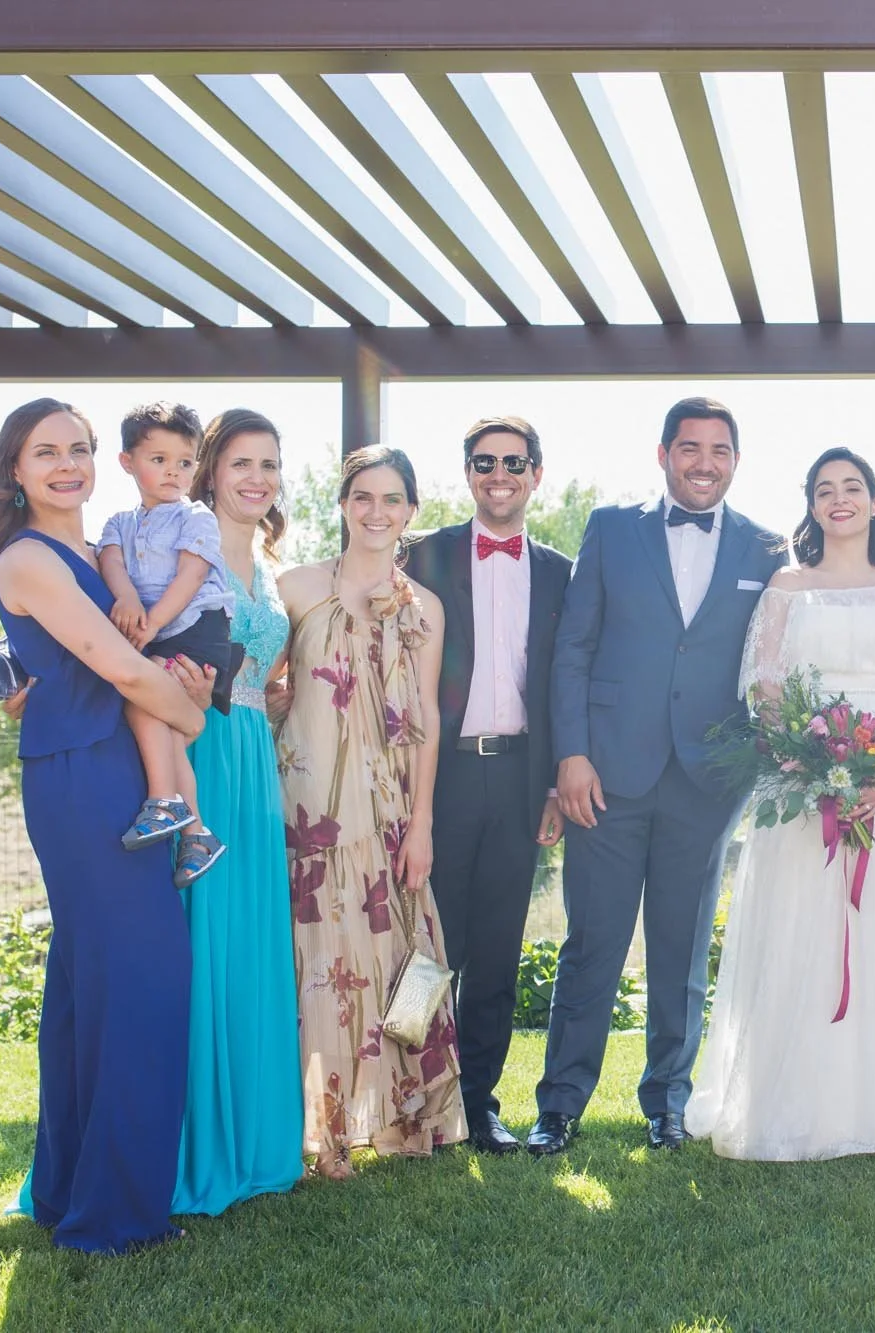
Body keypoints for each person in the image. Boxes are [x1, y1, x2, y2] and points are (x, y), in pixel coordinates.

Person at [531, 397, 785, 1155]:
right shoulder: (612, 529)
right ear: (663, 452)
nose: (704, 462)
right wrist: (569, 756)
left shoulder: (765, 548)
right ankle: (561, 1105)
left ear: (736, 459)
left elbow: (769, 661)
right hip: (604, 775)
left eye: (719, 450)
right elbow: (572, 647)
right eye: (690, 448)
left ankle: (667, 1104)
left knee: (680, 954)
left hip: (706, 783)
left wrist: (748, 765)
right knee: (591, 946)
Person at [0, 398, 207, 1253]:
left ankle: (71, 1190)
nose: (67, 463)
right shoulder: (30, 556)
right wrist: (188, 717)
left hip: (111, 761)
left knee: (90, 988)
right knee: (144, 980)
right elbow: (115, 664)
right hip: (85, 775)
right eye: (46, 451)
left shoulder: (93, 551)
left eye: (79, 447)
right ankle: (113, 1216)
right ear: (16, 468)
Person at [686, 448, 875, 1160]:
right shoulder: (786, 586)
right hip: (800, 780)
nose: (839, 499)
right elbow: (766, 685)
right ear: (811, 503)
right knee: (798, 925)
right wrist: (806, 765)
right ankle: (789, 1107)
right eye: (825, 489)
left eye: (853, 486)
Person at [277, 446, 465, 1178]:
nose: (377, 512)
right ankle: (321, 1133)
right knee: (323, 966)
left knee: (400, 957)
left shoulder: (427, 610)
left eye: (392, 499)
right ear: (343, 504)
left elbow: (427, 718)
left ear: (411, 510)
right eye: (362, 497)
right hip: (313, 805)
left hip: (390, 811)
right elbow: (263, 687)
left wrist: (421, 823)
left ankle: (399, 1117)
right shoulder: (294, 588)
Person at [402, 416, 572, 1156]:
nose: (498, 474)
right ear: (467, 472)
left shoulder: (563, 571)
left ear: (537, 474)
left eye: (513, 462)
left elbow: (567, 683)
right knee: (431, 942)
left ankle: (476, 1106)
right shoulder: (422, 557)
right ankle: (412, 1099)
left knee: (498, 950)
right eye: (483, 462)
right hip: (440, 772)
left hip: (520, 775)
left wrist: (553, 788)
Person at [169, 407, 305, 1213]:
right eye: (243, 462)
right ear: (211, 470)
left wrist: (272, 697)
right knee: (200, 933)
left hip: (253, 756)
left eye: (271, 464)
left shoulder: (268, 564)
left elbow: (258, 673)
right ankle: (193, 1137)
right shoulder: (182, 551)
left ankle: (255, 1137)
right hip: (198, 755)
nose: (258, 478)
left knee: (252, 939)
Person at [98, 401, 238, 887]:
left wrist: (151, 623)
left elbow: (190, 576)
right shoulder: (119, 522)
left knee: (142, 702)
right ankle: (197, 832)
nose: (173, 472)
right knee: (165, 728)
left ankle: (165, 802)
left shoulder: (196, 518)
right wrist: (127, 598)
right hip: (153, 627)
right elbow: (111, 562)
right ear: (127, 462)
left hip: (196, 626)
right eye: (158, 459)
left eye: (184, 461)